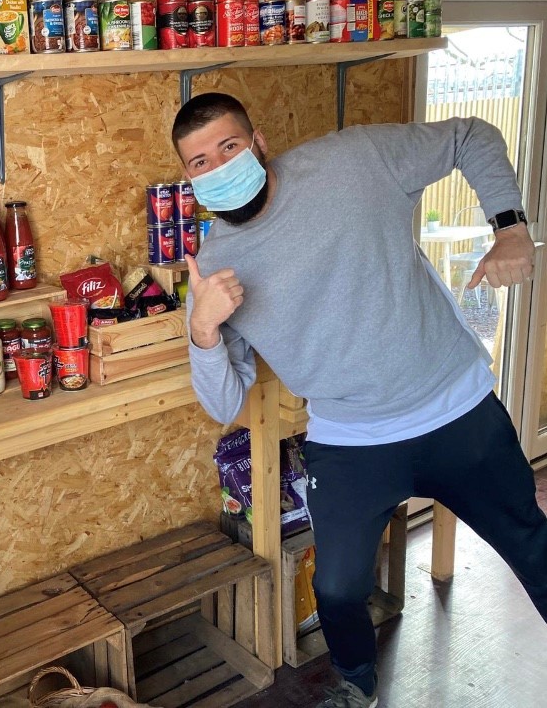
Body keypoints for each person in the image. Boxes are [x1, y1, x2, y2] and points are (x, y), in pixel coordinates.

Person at [174, 92, 546, 708]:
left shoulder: (352, 161)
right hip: (351, 439)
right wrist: (203, 330)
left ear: (259, 143)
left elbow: (469, 136)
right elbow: (223, 402)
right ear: (189, 180)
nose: (217, 166)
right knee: (340, 587)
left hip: (454, 407)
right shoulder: (214, 267)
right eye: (199, 162)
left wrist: (510, 228)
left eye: (229, 147)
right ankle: (357, 687)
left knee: (529, 543)